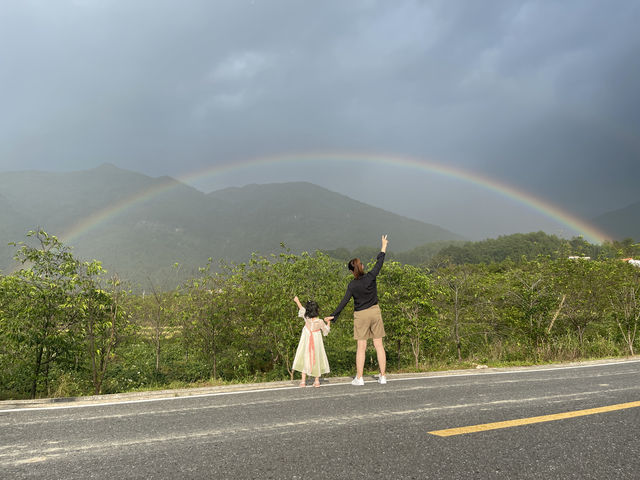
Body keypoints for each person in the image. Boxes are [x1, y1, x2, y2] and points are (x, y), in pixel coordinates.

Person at [325, 235, 388, 386]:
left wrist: (333, 316)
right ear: (362, 267)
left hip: (361, 316)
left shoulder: (352, 286)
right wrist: (383, 246)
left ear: (351, 271)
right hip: (375, 312)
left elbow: (344, 302)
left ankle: (359, 378)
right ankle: (383, 376)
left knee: (361, 347)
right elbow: (380, 263)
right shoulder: (371, 277)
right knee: (379, 345)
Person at [292, 296, 331, 387]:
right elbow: (326, 331)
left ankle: (303, 381)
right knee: (316, 358)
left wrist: (297, 300)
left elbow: (301, 308)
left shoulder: (306, 318)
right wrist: (328, 322)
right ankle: (316, 381)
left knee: (305, 357)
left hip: (306, 340)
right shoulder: (320, 321)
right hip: (316, 341)